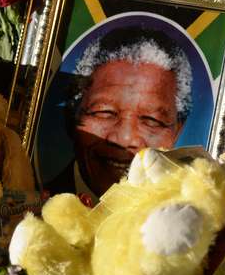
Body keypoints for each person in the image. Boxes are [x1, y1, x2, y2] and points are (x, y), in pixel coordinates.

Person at [44, 27, 193, 200]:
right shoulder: (29, 209)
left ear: (177, 132)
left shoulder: (187, 223)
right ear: (72, 115)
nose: (124, 138)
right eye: (104, 112)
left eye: (152, 120)